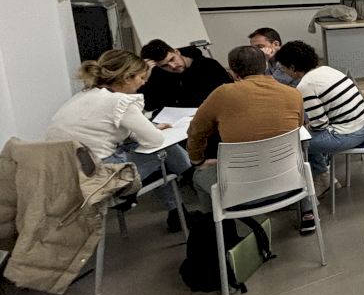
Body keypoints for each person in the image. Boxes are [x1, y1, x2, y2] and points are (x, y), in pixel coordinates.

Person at [46, 49, 191, 231]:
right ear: (127, 78)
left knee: (152, 156)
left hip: (67, 178)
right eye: (141, 77)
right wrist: (150, 130)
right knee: (166, 151)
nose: (144, 82)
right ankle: (192, 177)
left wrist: (145, 129)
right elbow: (154, 141)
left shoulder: (83, 96)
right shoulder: (119, 101)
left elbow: (107, 130)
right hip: (102, 178)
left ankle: (178, 211)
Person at [186, 46, 311, 231]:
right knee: (300, 153)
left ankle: (221, 233)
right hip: (291, 183)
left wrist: (198, 160)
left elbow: (195, 131)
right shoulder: (293, 94)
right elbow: (298, 128)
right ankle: (307, 211)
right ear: (266, 65)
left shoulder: (222, 94)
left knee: (198, 176)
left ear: (232, 72)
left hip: (240, 192)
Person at [274, 40, 364, 197]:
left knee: (296, 142)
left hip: (351, 134)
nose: (284, 71)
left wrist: (305, 127)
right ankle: (324, 175)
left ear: (292, 68)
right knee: (305, 135)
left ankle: (321, 178)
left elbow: (319, 125)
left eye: (284, 68)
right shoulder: (327, 69)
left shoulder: (306, 85)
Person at [137, 39, 232, 114]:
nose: (173, 66)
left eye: (172, 59)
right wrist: (145, 77)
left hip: (205, 116)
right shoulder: (157, 74)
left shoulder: (209, 66)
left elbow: (227, 96)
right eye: (165, 65)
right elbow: (149, 106)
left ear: (176, 52)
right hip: (171, 121)